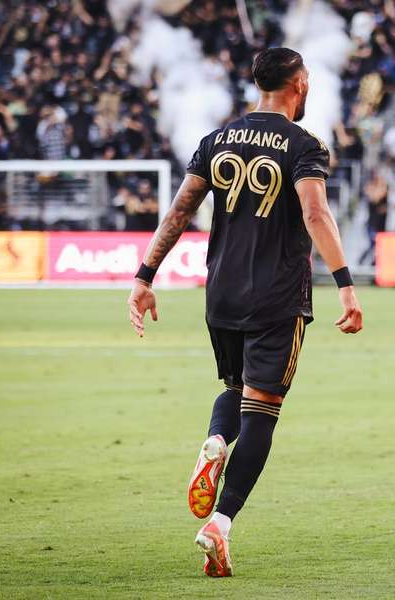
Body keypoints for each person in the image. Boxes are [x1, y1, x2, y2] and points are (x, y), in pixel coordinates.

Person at [126, 47, 363, 577]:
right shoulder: (304, 145)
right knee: (263, 410)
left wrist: (144, 277)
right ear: (300, 83)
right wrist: (346, 284)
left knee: (235, 391)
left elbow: (181, 209)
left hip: (222, 294)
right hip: (277, 296)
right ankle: (221, 523)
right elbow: (315, 211)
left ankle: (215, 440)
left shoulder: (217, 140)